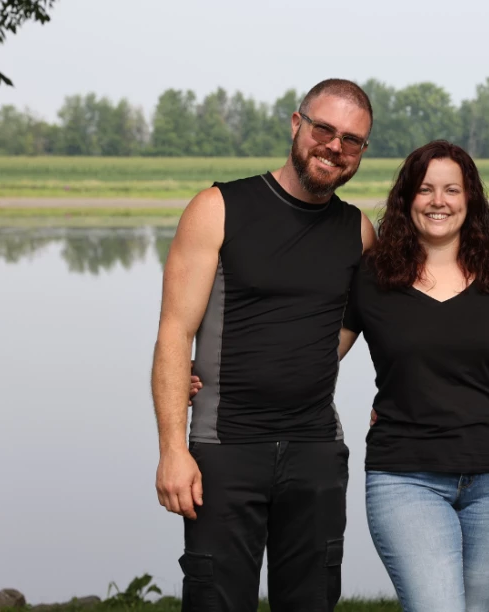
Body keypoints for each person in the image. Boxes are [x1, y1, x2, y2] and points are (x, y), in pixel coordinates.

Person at [152, 78, 377, 612]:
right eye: (325, 129)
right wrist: (171, 449)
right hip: (224, 450)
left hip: (316, 452)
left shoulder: (359, 230)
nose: (335, 146)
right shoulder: (218, 207)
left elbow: (394, 308)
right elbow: (173, 332)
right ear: (297, 124)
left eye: (352, 140)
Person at [339, 140, 489, 612]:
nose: (438, 201)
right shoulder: (372, 276)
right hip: (406, 475)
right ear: (407, 197)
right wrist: (215, 373)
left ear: (469, 199)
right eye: (426, 189)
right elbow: (319, 357)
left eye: (452, 189)